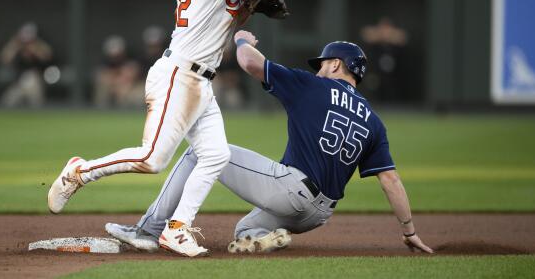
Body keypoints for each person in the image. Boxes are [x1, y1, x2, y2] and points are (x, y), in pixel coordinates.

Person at [47, 0, 292, 257]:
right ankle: (80, 172)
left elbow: (219, 22)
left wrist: (246, 10)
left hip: (198, 81)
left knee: (215, 155)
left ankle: (176, 229)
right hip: (180, 77)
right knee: (152, 159)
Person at [104, 30, 434, 255]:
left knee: (203, 151)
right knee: (244, 232)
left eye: (322, 65)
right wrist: (408, 231)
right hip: (318, 215)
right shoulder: (373, 120)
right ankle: (264, 239)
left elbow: (249, 62)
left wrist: (242, 37)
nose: (318, 70)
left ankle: (149, 230)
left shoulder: (313, 87)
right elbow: (390, 180)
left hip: (292, 191)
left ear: (335, 65)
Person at [0, 22, 52, 107]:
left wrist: (33, 48)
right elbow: (4, 59)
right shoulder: (16, 47)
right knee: (8, 101)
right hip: (19, 82)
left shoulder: (39, 46)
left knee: (36, 103)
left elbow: (47, 56)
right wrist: (15, 46)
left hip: (35, 80)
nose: (27, 43)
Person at [93, 35, 144, 108]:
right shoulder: (104, 62)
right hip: (113, 87)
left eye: (118, 55)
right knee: (102, 89)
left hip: (131, 88)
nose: (115, 57)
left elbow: (130, 76)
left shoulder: (131, 58)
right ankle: (100, 111)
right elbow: (101, 77)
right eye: (113, 55)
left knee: (132, 92)